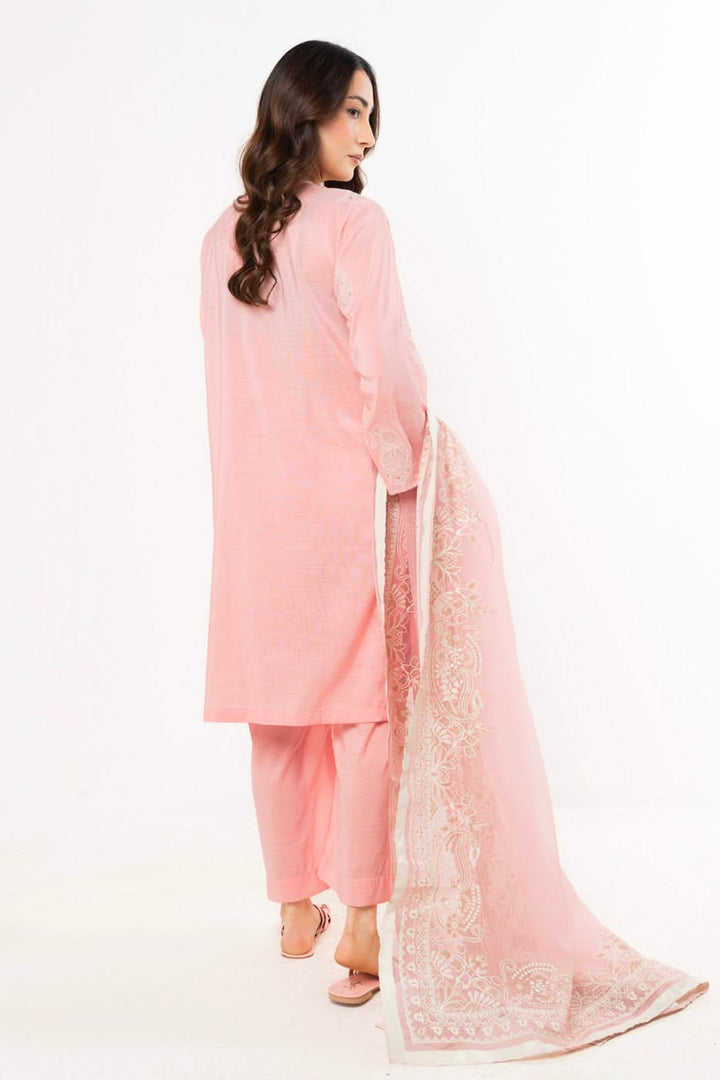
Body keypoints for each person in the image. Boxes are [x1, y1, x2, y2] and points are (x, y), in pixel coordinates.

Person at [199, 40, 425, 1005]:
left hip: (253, 516)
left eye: (373, 116)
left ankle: (296, 909)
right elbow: (389, 363)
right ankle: (362, 923)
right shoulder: (355, 223)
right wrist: (410, 465)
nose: (368, 134)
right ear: (306, 108)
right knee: (363, 709)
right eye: (354, 111)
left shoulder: (221, 234)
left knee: (279, 713)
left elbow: (224, 385)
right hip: (341, 508)